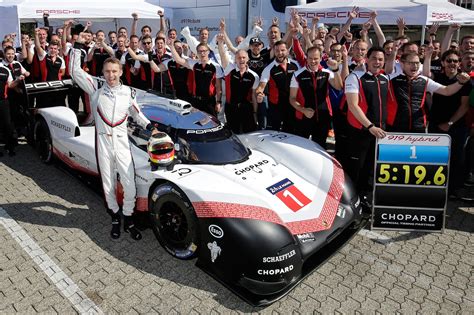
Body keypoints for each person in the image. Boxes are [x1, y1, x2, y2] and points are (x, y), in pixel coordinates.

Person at [69, 33, 158, 240]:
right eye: (107, 72)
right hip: (102, 142)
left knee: (129, 184)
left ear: (120, 72)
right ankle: (115, 217)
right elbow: (74, 71)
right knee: (108, 183)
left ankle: (129, 217)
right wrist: (79, 44)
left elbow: (137, 114)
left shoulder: (128, 92)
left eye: (114, 71)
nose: (111, 75)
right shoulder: (96, 89)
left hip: (121, 142)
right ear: (103, 72)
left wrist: (151, 127)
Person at [344, 47, 389, 202]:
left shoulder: (385, 78)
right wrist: (370, 126)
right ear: (367, 59)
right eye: (374, 58)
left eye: (381, 59)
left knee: (370, 168)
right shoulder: (354, 77)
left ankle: (363, 198)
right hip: (361, 131)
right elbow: (352, 105)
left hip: (379, 132)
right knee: (356, 169)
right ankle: (350, 201)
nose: (377, 62)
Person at [387, 52, 470, 133]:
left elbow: (447, 91)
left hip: (418, 127)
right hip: (395, 127)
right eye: (411, 63)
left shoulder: (424, 80)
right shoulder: (390, 79)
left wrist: (460, 83)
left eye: (417, 63)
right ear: (402, 64)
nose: (415, 66)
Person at [289, 47, 343, 148]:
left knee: (320, 146)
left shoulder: (327, 72)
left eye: (316, 58)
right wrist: (303, 110)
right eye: (310, 58)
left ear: (320, 58)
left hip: (323, 116)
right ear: (306, 57)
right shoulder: (297, 74)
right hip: (305, 117)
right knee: (302, 147)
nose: (313, 61)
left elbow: (338, 87)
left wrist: (335, 70)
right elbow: (292, 98)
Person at [168, 40, 223, 116]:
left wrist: (218, 102)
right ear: (197, 53)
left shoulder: (216, 66)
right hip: (195, 101)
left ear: (208, 52)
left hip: (209, 101)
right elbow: (178, 60)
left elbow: (218, 86)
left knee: (212, 124)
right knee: (196, 123)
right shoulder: (194, 64)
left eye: (204, 51)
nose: (202, 53)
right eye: (199, 51)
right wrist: (171, 47)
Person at [217, 36, 259, 133]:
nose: (241, 60)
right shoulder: (229, 70)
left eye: (244, 57)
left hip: (246, 109)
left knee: (248, 133)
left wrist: (255, 113)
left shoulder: (254, 76)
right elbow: (223, 55)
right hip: (231, 108)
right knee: (233, 133)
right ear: (235, 59)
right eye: (239, 58)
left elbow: (253, 96)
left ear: (247, 59)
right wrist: (220, 43)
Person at [256, 40, 299, 132]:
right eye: (277, 51)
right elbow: (261, 86)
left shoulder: (295, 65)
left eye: (282, 50)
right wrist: (259, 93)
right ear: (274, 52)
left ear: (287, 50)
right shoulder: (268, 68)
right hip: (276, 106)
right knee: (274, 132)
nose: (280, 53)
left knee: (290, 132)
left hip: (292, 105)